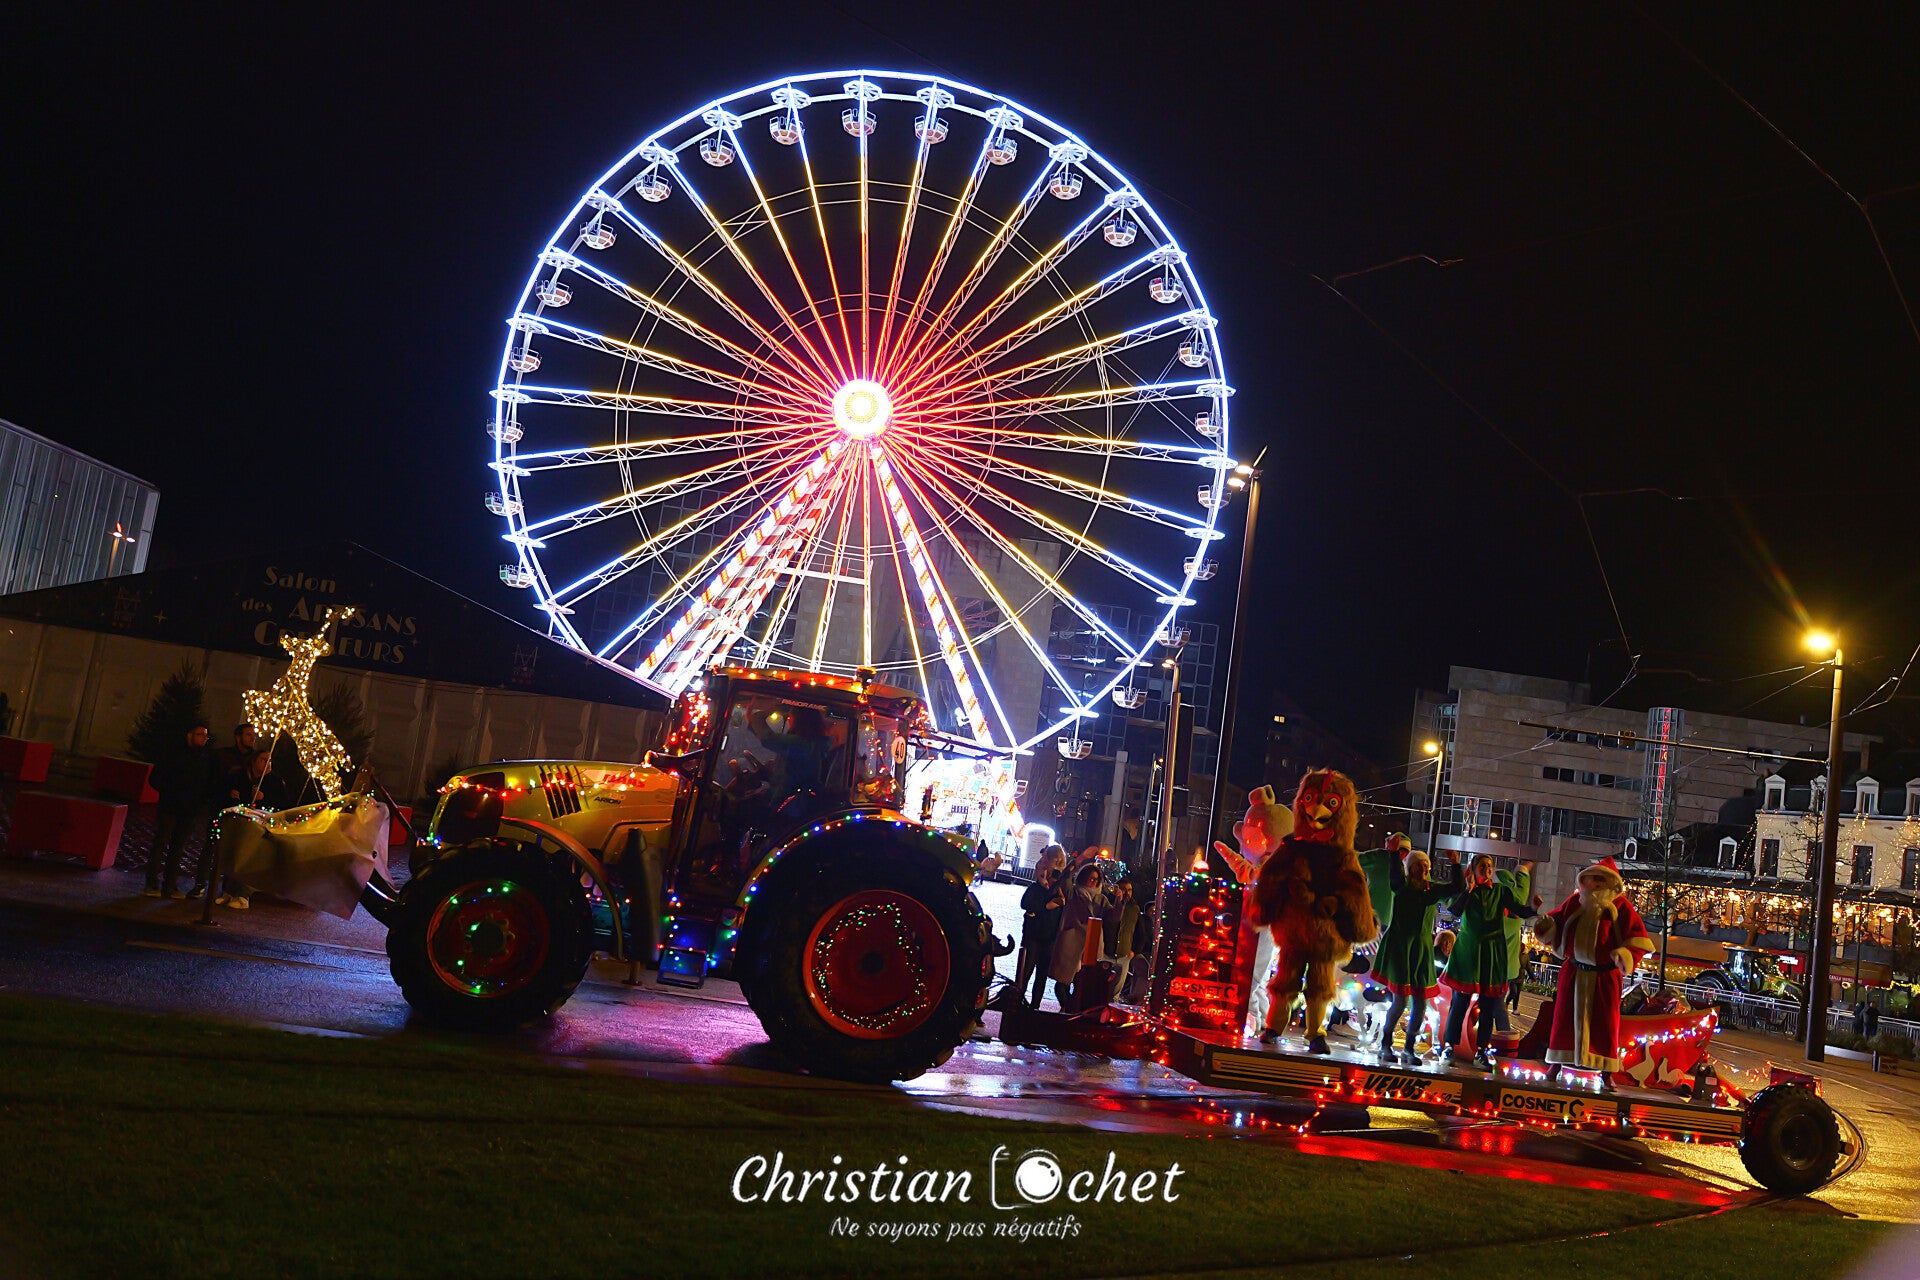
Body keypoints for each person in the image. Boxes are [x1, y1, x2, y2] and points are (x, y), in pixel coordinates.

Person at [1533, 857, 1653, 1085]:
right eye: (1592, 878)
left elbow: (1638, 940)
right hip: (1574, 973)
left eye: (1601, 879)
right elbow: (1554, 924)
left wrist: (1624, 954)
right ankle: (1555, 1065)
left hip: (1604, 977)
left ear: (1610, 882)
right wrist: (1544, 926)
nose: (1595, 884)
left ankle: (1606, 1073)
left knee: (1604, 1026)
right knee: (1564, 1022)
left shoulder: (1620, 907)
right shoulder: (1575, 902)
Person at [1439, 854, 1541, 1070]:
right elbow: (1454, 911)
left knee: (1488, 1005)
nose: (1487, 869)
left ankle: (1482, 1051)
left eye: (1490, 866)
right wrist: (1468, 891)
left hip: (1492, 953)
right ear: (1474, 868)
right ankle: (1449, 1046)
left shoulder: (1501, 891)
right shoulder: (1468, 891)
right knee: (1460, 1002)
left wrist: (1532, 908)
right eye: (1483, 865)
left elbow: (1518, 910)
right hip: (1469, 952)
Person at [1373, 845, 1460, 1064]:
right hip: (1401, 947)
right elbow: (1395, 878)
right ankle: (1385, 1044)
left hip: (1421, 949)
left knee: (1421, 1002)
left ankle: (1409, 1048)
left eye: (1426, 866)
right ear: (1410, 868)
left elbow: (1456, 887)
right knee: (1400, 1001)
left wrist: (1456, 864)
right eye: (1419, 866)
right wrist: (1394, 854)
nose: (1423, 869)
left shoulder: (1431, 890)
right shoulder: (1402, 886)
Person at [144, 722, 220, 898]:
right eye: (200, 734)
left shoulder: (206, 759)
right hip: (170, 806)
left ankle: (170, 885)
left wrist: (202, 799)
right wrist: (171, 791)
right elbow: (156, 778)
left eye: (206, 736)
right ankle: (152, 882)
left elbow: (209, 782)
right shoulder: (173, 755)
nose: (204, 738)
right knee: (161, 843)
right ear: (189, 736)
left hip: (190, 809)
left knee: (178, 847)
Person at [218, 751, 290, 910]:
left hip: (259, 827)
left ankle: (243, 895)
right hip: (240, 823)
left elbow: (283, 805)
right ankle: (228, 891)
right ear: (254, 761)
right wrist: (233, 794)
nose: (268, 764)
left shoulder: (275, 781)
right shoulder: (241, 776)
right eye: (264, 760)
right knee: (234, 853)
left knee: (248, 856)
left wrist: (264, 798)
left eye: (270, 760)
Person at [1050, 861, 1117, 1010]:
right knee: (1062, 982)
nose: (1093, 881)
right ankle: (1066, 1007)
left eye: (1096, 879)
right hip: (1071, 941)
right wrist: (1073, 866)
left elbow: (1113, 917)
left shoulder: (1101, 899)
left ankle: (1072, 1010)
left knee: (1083, 983)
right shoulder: (1073, 892)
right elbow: (1065, 881)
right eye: (1090, 878)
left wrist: (1120, 901)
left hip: (1092, 944)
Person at [1017, 847, 1068, 1007]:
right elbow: (1025, 904)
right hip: (1033, 936)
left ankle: (1034, 1005)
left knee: (1041, 975)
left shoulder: (1060, 890)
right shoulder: (1036, 888)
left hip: (1049, 937)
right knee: (1026, 972)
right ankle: (1018, 1002)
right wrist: (1046, 905)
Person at [1109, 879, 1142, 993]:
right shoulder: (1108, 904)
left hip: (1124, 954)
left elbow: (1140, 932)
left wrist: (1134, 951)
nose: (1127, 893)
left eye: (1130, 890)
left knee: (1117, 988)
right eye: (1123, 889)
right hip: (1107, 952)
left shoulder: (1134, 909)